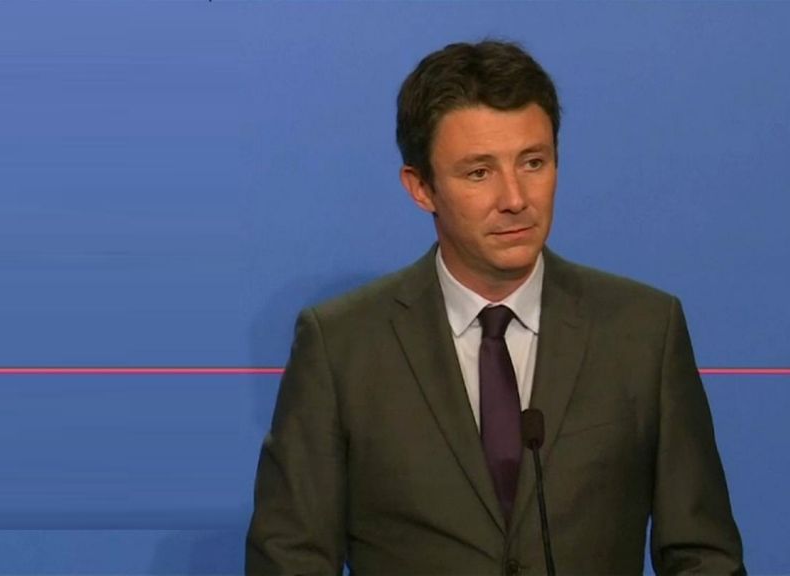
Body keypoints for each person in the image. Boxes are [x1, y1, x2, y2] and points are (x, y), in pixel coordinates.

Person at [247, 40, 745, 575]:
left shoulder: (643, 332)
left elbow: (703, 557)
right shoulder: (342, 346)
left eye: (533, 162)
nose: (515, 198)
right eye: (479, 172)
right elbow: (290, 560)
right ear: (421, 188)